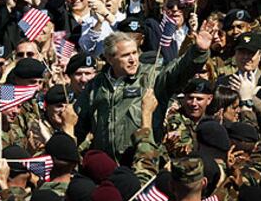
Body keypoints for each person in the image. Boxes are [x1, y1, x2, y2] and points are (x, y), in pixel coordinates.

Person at [75, 25, 214, 160]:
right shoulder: (96, 85)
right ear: (110, 59)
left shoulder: (153, 77)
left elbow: (178, 70)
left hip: (142, 162)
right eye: (125, 55)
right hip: (106, 164)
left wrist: (198, 52)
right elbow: (79, 124)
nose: (132, 60)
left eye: (134, 53)